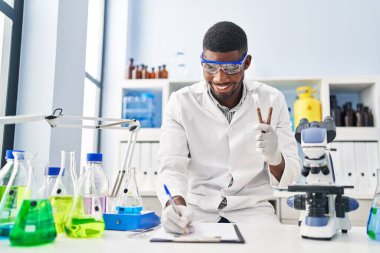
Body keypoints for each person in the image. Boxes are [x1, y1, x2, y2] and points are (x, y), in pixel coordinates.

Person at [156, 21, 301, 234]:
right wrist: (174, 205)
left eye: (232, 68)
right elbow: (171, 166)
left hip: (254, 213)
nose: (220, 77)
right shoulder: (180, 102)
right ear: (202, 61)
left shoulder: (271, 99)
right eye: (210, 66)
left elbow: (290, 177)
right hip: (197, 212)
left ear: (247, 62)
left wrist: (275, 157)